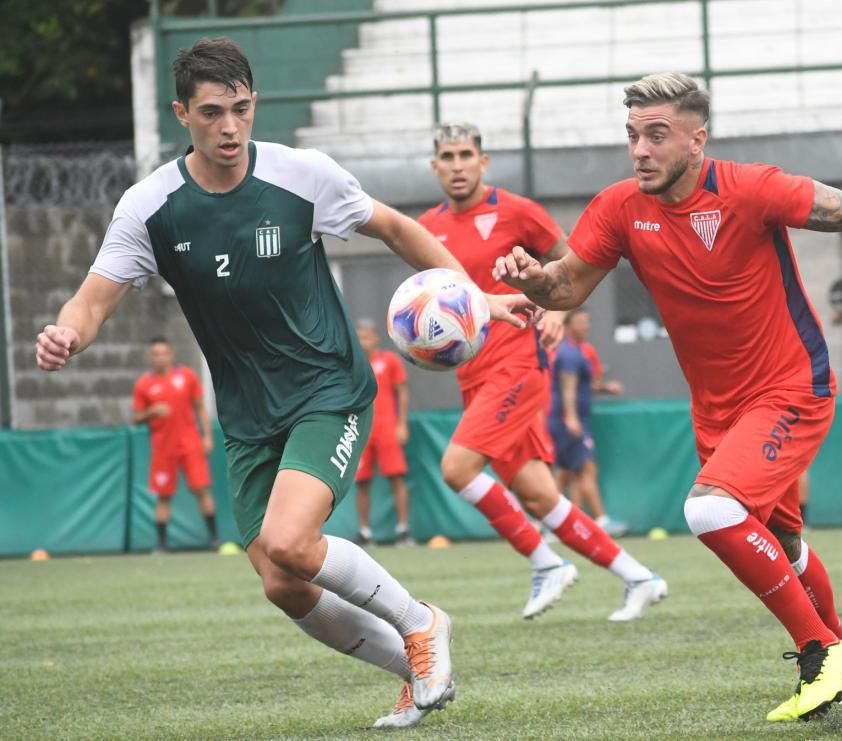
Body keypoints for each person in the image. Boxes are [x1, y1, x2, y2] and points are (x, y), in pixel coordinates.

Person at [34, 37, 538, 731]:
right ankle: (411, 667)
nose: (230, 127)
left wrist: (472, 294)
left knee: (292, 541)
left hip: (327, 390)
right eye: (212, 113)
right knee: (282, 581)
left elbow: (396, 228)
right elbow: (91, 303)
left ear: (255, 103)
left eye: (241, 109)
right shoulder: (150, 207)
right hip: (247, 416)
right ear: (182, 113)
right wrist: (66, 333)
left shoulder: (303, 175)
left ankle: (421, 622)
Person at [494, 72, 842, 721]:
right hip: (717, 408)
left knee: (708, 509)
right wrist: (532, 278)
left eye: (656, 135)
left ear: (697, 139)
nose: (640, 150)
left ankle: (820, 649)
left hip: (791, 387)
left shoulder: (749, 188)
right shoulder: (619, 207)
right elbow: (566, 287)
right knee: (781, 541)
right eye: (632, 136)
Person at [419, 122, 666, 621]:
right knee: (538, 495)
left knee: (457, 468)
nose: (457, 165)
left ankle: (545, 562)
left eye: (466, 155)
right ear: (435, 166)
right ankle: (640, 578)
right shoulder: (426, 228)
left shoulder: (518, 211)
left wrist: (559, 313)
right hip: (472, 375)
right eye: (447, 156)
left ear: (483, 162)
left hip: (518, 363)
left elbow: (577, 263)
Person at [132, 337, 218, 551]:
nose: (160, 357)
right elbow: (136, 417)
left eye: (164, 353)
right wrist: (152, 411)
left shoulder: (187, 376)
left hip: (190, 443)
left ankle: (215, 539)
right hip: (163, 448)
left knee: (201, 489)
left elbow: (200, 407)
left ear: (171, 354)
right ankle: (162, 544)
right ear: (150, 357)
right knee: (163, 495)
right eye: (156, 354)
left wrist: (207, 436)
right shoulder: (144, 384)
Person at [548, 308, 628, 537]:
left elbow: (585, 385)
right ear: (568, 325)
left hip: (568, 420)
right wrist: (572, 418)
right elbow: (568, 389)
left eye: (587, 322)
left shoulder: (577, 352)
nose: (585, 327)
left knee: (566, 473)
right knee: (586, 469)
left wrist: (606, 388)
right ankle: (601, 520)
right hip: (569, 421)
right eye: (580, 322)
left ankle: (552, 524)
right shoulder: (569, 354)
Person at [354, 318, 414, 547]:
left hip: (387, 428)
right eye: (360, 337)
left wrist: (402, 424)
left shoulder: (389, 360)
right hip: (362, 431)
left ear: (376, 338)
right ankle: (365, 532)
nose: (364, 342)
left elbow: (402, 392)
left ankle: (403, 530)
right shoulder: (354, 365)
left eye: (367, 337)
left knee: (396, 478)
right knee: (361, 481)